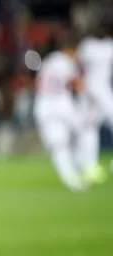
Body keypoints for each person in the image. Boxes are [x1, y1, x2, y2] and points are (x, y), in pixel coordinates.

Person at [34, 34, 87, 191]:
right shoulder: (65, 61)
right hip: (62, 102)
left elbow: (39, 82)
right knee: (83, 133)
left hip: (44, 103)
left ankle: (70, 175)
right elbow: (75, 82)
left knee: (60, 144)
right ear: (70, 49)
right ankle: (80, 168)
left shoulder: (49, 60)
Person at [76, 23, 113, 184]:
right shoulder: (91, 45)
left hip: (92, 89)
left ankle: (87, 164)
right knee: (88, 128)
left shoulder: (88, 45)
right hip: (96, 89)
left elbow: (79, 66)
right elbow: (78, 66)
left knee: (89, 128)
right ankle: (88, 165)